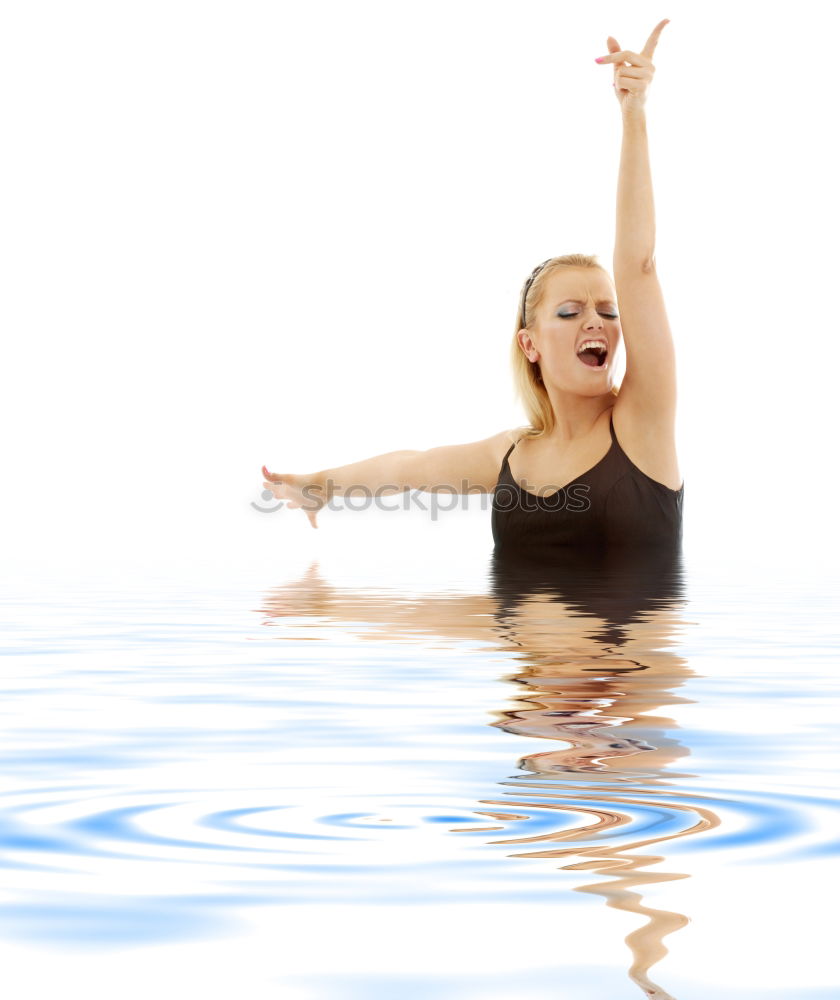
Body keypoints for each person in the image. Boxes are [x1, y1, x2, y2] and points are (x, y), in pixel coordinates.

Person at [262, 19, 682, 560]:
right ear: (529, 344)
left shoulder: (642, 421)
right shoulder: (511, 456)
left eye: (606, 309)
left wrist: (634, 113)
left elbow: (638, 264)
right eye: (570, 312)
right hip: (513, 639)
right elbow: (408, 468)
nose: (596, 321)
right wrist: (318, 486)